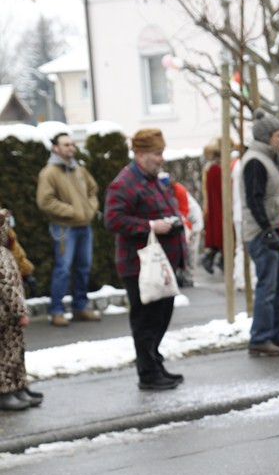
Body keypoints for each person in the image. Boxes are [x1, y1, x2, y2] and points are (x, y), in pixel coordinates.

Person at [104, 128, 187, 391]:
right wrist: (152, 225)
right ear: (140, 154)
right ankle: (148, 373)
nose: (161, 158)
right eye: (157, 153)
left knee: (160, 317)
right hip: (139, 265)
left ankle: (155, 363)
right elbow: (113, 220)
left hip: (160, 265)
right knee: (146, 321)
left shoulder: (151, 178)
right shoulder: (124, 182)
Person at [238, 108, 279, 356]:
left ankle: (275, 333)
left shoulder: (265, 158)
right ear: (265, 137)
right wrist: (266, 230)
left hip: (273, 229)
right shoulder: (255, 161)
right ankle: (260, 337)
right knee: (268, 287)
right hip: (263, 233)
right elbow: (254, 200)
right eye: (276, 135)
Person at [36, 130, 101, 327]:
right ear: (55, 148)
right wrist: (72, 212)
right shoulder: (49, 172)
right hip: (63, 229)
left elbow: (93, 189)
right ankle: (56, 311)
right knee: (62, 269)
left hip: (84, 227)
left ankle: (80, 307)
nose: (70, 148)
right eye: (66, 145)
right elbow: (45, 201)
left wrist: (89, 209)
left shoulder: (79, 170)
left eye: (72, 144)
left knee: (84, 268)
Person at [0, 209, 44, 411]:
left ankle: (18, 386)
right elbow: (9, 288)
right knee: (7, 354)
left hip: (7, 316)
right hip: (6, 315)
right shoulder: (1, 255)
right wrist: (20, 312)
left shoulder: (5, 252)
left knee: (16, 351)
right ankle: (6, 390)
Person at [201, 139, 223, 274]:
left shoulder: (211, 169)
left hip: (217, 205)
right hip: (218, 206)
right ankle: (212, 258)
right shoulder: (215, 169)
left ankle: (221, 261)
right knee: (219, 234)